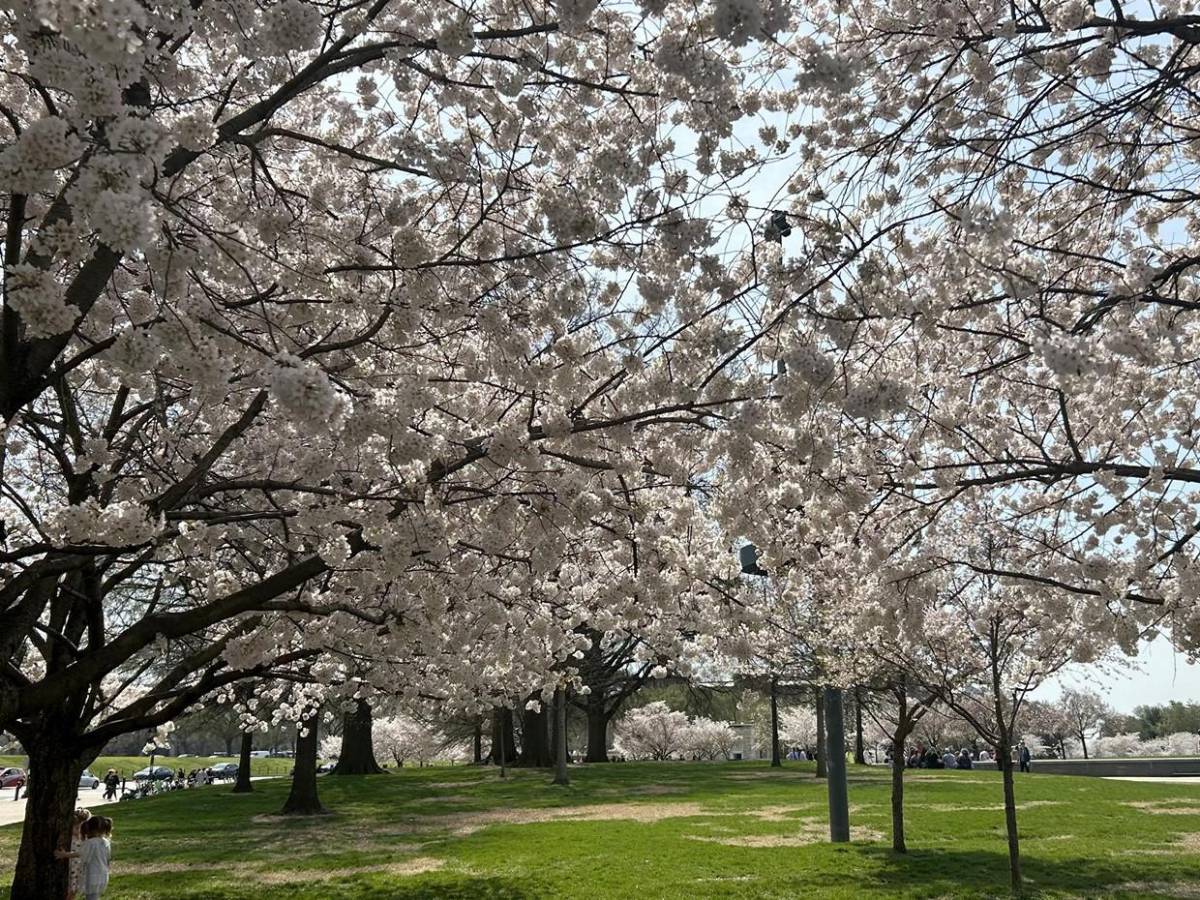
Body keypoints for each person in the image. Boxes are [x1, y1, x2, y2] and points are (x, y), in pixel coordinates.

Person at [57, 815, 111, 900]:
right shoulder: (105, 842)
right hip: (103, 875)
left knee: (91, 897)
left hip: (92, 876)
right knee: (94, 896)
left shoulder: (90, 843)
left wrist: (64, 854)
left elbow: (80, 854)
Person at [59, 807, 91, 900]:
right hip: (70, 866)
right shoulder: (69, 838)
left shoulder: (85, 839)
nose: (79, 831)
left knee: (73, 889)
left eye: (81, 828)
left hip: (78, 868)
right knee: (69, 888)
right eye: (76, 828)